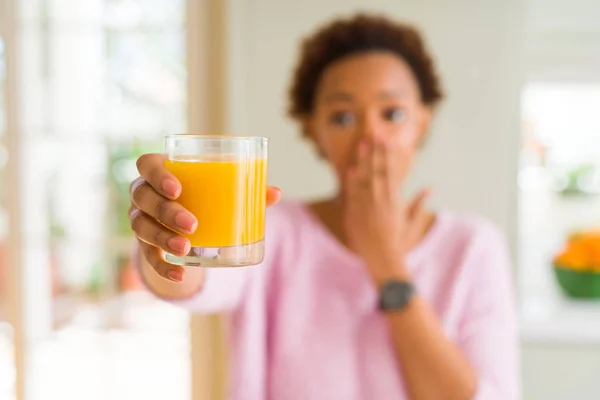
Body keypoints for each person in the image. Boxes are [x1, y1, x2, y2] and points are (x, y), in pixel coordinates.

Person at [129, 13, 519, 400]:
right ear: (314, 130)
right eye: (343, 117)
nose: (371, 137)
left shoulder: (473, 247)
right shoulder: (274, 229)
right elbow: (196, 278)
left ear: (422, 122)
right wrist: (163, 236)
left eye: (393, 114)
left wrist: (385, 262)